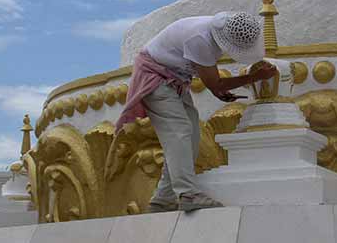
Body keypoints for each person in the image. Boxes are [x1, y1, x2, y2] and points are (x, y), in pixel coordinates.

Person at [115, 11, 278, 212]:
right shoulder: (200, 40)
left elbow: (214, 83)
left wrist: (219, 89)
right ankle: (188, 194)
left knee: (190, 134)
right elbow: (215, 83)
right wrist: (255, 77)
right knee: (179, 131)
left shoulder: (211, 36)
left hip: (175, 80)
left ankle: (163, 198)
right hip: (156, 77)